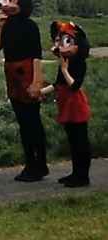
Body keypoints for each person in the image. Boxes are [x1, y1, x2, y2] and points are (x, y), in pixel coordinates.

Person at [0, 0, 49, 182]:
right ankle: (31, 162)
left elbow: (36, 55)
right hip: (12, 73)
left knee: (32, 121)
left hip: (27, 71)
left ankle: (39, 164)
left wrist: (37, 81)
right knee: (23, 121)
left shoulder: (30, 26)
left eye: (11, 0)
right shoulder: (6, 24)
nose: (5, 3)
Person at [40, 21, 92, 188]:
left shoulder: (78, 63)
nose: (60, 45)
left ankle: (83, 176)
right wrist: (40, 92)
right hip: (65, 102)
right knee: (72, 140)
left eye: (66, 41)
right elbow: (58, 84)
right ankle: (76, 173)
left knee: (80, 141)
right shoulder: (65, 61)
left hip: (74, 104)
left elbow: (74, 85)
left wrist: (64, 69)